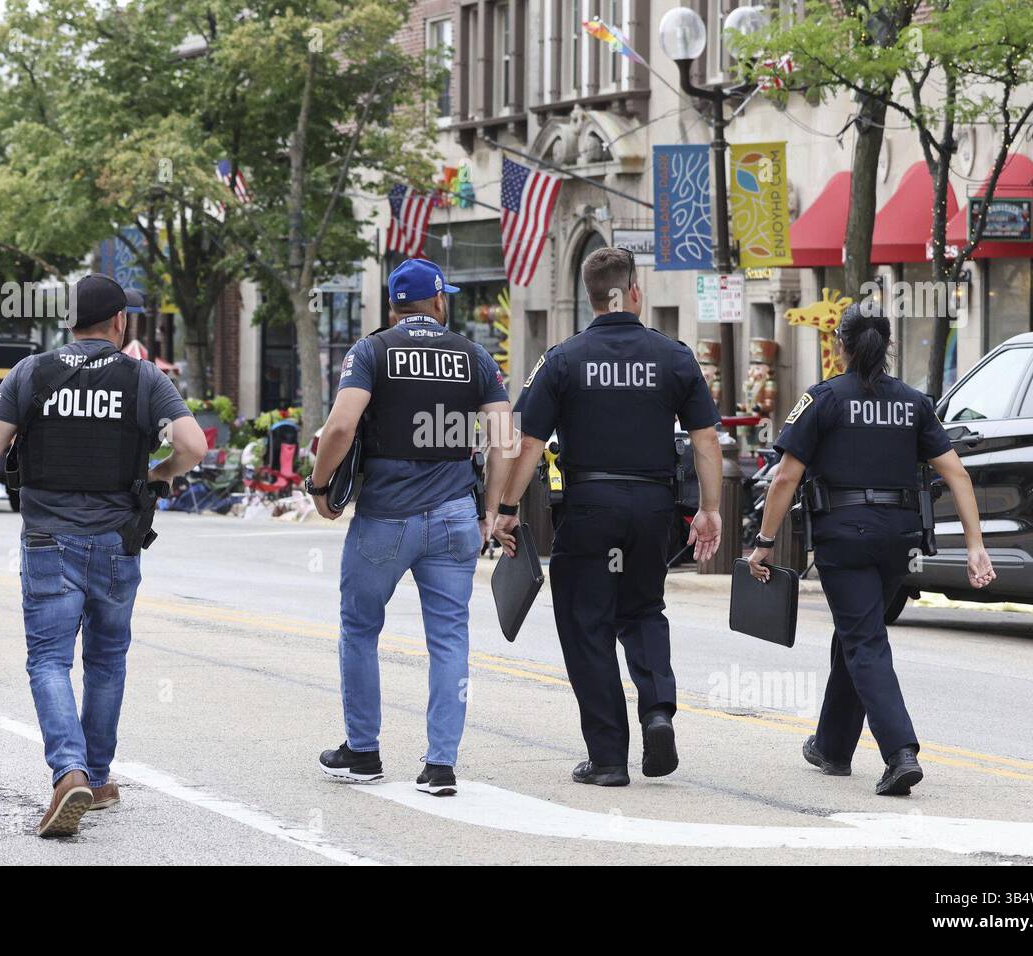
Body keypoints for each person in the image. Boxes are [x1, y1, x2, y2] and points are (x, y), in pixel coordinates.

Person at [0, 273, 208, 837]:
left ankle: (68, 771)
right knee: (107, 659)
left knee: (48, 660)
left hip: (47, 541)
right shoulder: (144, 378)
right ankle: (96, 774)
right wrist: (159, 473)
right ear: (119, 322)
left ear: (71, 322)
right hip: (119, 544)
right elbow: (194, 446)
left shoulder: (31, 372)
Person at [494, 246, 723, 787]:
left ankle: (608, 760)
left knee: (584, 625)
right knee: (643, 609)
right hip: (652, 508)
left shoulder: (563, 359)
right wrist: (709, 510)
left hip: (589, 509)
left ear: (590, 297)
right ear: (634, 291)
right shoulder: (674, 356)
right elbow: (707, 440)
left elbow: (527, 443)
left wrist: (505, 509)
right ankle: (658, 709)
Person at [748, 303, 995, 795]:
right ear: (888, 348)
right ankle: (833, 747)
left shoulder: (822, 399)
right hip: (898, 541)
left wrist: (764, 543)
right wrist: (975, 545)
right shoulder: (912, 402)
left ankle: (900, 752)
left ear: (841, 347)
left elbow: (785, 478)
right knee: (857, 633)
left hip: (844, 536)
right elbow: (957, 474)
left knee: (863, 641)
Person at [309, 258, 514, 797]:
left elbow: (341, 425)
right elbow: (504, 439)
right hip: (453, 517)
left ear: (393, 305)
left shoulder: (371, 351)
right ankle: (440, 765)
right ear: (440, 301)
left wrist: (319, 484)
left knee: (360, 628)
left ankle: (363, 752)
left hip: (385, 517)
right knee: (449, 640)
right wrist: (491, 509)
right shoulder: (474, 356)